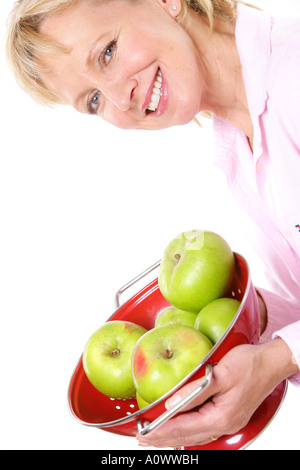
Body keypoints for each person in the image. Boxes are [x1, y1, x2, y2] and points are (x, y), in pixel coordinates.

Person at [6, 0, 300, 447]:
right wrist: (230, 321)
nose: (119, 99)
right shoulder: (232, 151)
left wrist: (279, 359)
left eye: (106, 52)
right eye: (94, 100)